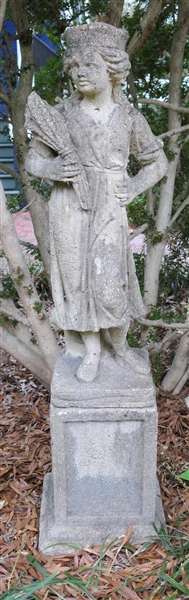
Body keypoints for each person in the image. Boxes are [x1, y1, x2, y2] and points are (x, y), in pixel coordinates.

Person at [25, 23, 168, 384]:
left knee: (109, 284)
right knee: (76, 284)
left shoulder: (129, 118)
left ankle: (119, 347)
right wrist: (54, 167)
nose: (79, 74)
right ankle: (90, 350)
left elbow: (157, 162)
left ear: (113, 70)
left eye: (89, 67)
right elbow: (32, 161)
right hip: (69, 207)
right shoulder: (60, 115)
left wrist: (134, 186)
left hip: (108, 208)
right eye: (73, 69)